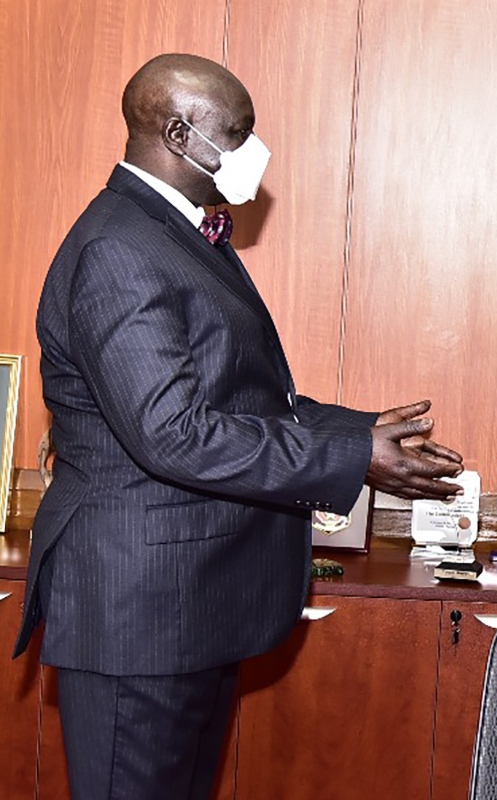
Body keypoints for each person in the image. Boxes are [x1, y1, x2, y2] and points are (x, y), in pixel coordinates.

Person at [12, 53, 464, 799]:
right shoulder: (120, 247)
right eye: (242, 130)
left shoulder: (174, 232)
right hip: (139, 612)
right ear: (181, 133)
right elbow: (174, 433)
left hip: (186, 602)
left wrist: (357, 430)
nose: (257, 149)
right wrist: (352, 456)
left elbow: (235, 398)